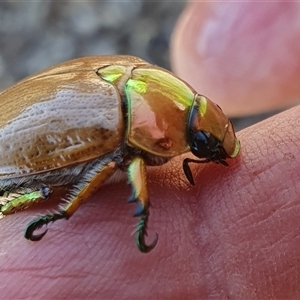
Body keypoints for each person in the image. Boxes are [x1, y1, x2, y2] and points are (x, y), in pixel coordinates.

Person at [1, 2, 300, 299]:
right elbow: (128, 165)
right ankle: (43, 209)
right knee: (47, 190)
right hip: (18, 150)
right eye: (200, 144)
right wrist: (135, 210)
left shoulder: (140, 77)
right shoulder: (120, 124)